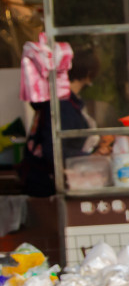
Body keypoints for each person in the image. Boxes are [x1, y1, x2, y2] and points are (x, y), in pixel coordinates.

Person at [20, 47, 100, 197]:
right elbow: (53, 149)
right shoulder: (62, 104)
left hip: (41, 179)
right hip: (47, 186)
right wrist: (89, 157)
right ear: (88, 75)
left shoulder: (60, 99)